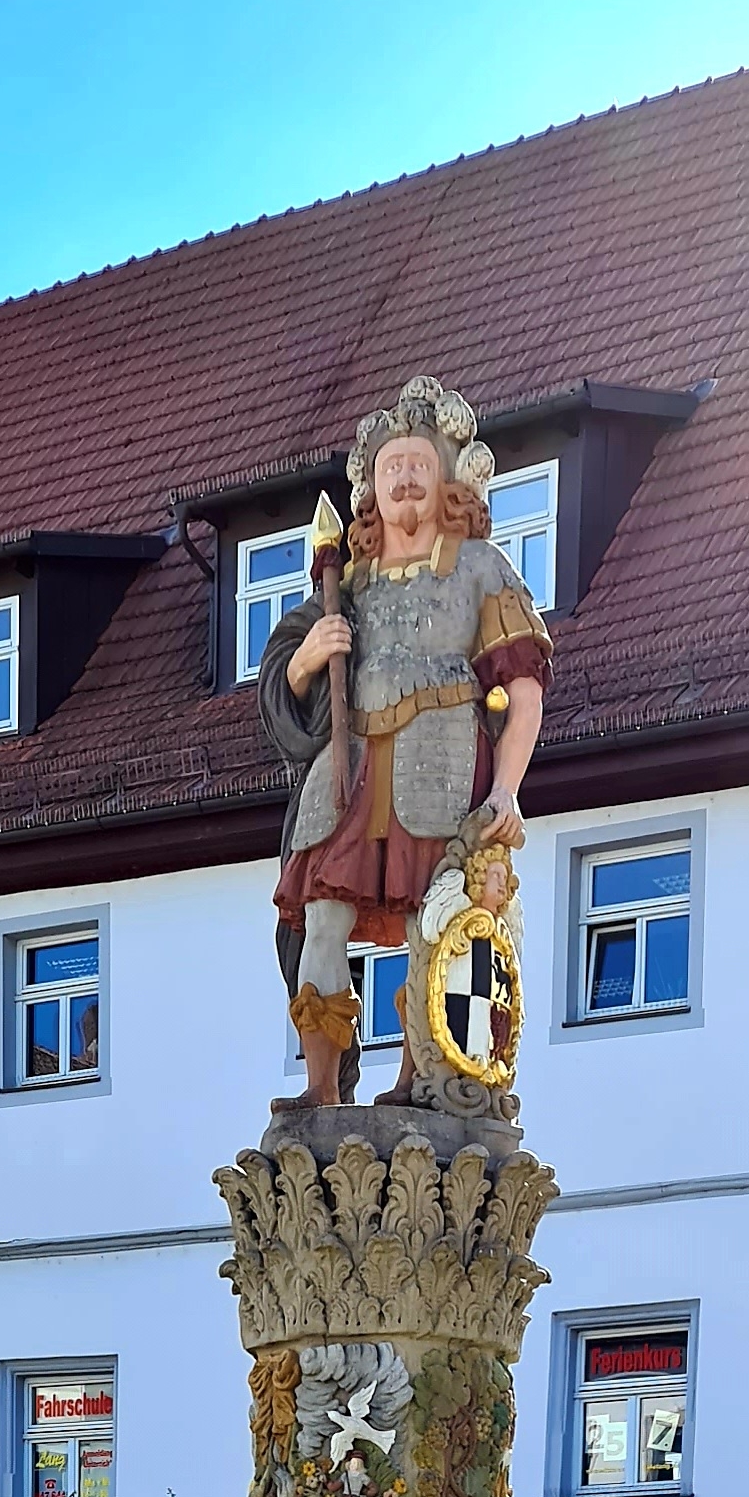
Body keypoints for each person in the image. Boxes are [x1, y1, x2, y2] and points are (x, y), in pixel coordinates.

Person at [261, 373, 550, 1108]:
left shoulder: (480, 568)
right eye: (392, 470)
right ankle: (323, 1086)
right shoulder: (348, 583)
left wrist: (508, 790)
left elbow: (523, 687)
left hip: (443, 758)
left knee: (438, 919)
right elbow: (292, 678)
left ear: (450, 483)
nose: (406, 480)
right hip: (352, 765)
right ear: (373, 492)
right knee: (322, 915)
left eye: (419, 466)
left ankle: (422, 1081)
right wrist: (304, 657)